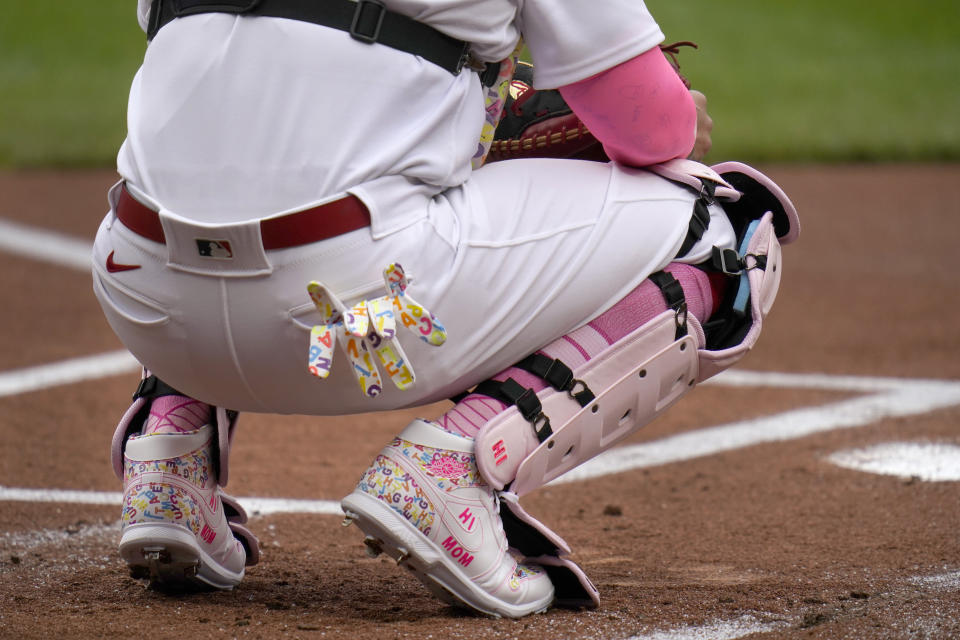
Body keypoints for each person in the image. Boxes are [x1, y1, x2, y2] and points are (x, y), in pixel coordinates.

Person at [95, 0, 798, 618]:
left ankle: (169, 459)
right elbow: (650, 126)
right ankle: (456, 469)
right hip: (355, 318)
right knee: (724, 235)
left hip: (144, 299)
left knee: (239, 146)